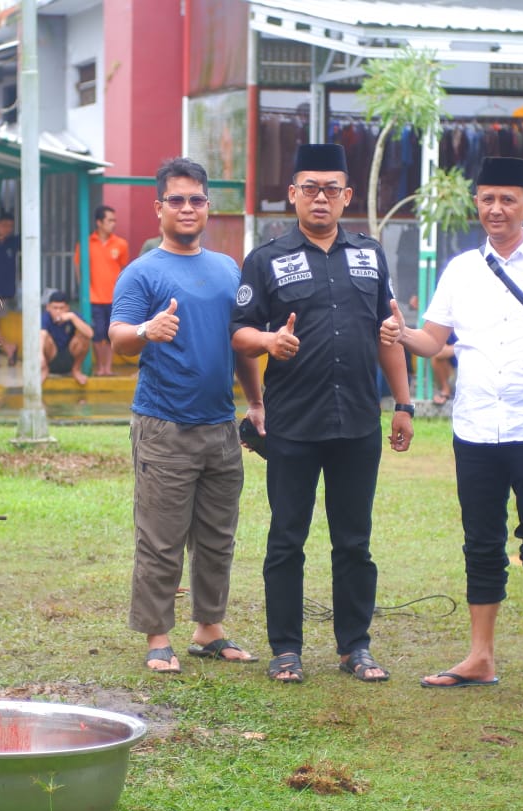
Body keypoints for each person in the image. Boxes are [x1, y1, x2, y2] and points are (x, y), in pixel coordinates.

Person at [382, 156, 523, 706]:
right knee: (481, 543)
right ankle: (481, 655)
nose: (495, 208)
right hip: (474, 428)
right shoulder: (460, 270)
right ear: (476, 202)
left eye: (507, 198)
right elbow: (433, 341)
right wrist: (400, 331)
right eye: (486, 198)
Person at [232, 142, 414, 684]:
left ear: (347, 196)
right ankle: (285, 649)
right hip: (293, 423)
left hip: (357, 421)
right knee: (287, 538)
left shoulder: (370, 254)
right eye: (309, 188)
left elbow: (389, 334)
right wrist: (270, 341)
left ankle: (354, 646)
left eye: (331, 189)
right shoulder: (266, 259)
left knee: (354, 541)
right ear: (292, 194)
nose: (320, 198)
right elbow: (238, 333)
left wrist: (403, 403)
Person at [108, 157, 265, 674]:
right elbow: (118, 338)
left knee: (218, 535)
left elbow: (241, 343)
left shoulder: (227, 269)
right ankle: (158, 636)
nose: (187, 208)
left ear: (207, 206)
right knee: (161, 537)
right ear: (159, 209)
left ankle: (208, 628)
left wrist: (257, 401)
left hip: (220, 425)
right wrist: (146, 331)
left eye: (196, 199)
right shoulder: (142, 272)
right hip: (164, 425)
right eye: (176, 199)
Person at [74, 205, 129, 376]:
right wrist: (84, 291)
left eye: (114, 220)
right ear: (99, 222)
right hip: (93, 297)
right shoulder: (85, 243)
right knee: (97, 335)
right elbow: (78, 268)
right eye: (109, 220)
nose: (113, 224)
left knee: (112, 333)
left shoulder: (121, 244)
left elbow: (124, 270)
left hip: (115, 298)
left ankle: (108, 368)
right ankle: (100, 367)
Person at [41, 290, 93, 386]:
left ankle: (76, 370)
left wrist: (72, 317)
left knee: (83, 337)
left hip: (69, 357)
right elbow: (42, 336)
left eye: (61, 308)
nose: (58, 311)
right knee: (44, 337)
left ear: (67, 308)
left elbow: (90, 334)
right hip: (51, 357)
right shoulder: (45, 317)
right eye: (55, 308)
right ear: (48, 308)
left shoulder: (73, 316)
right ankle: (44, 370)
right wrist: (40, 356)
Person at [0, 211, 19, 364]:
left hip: (2, 292)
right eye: (4, 225)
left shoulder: (14, 242)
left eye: (10, 226)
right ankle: (8, 348)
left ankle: (6, 349)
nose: (7, 229)